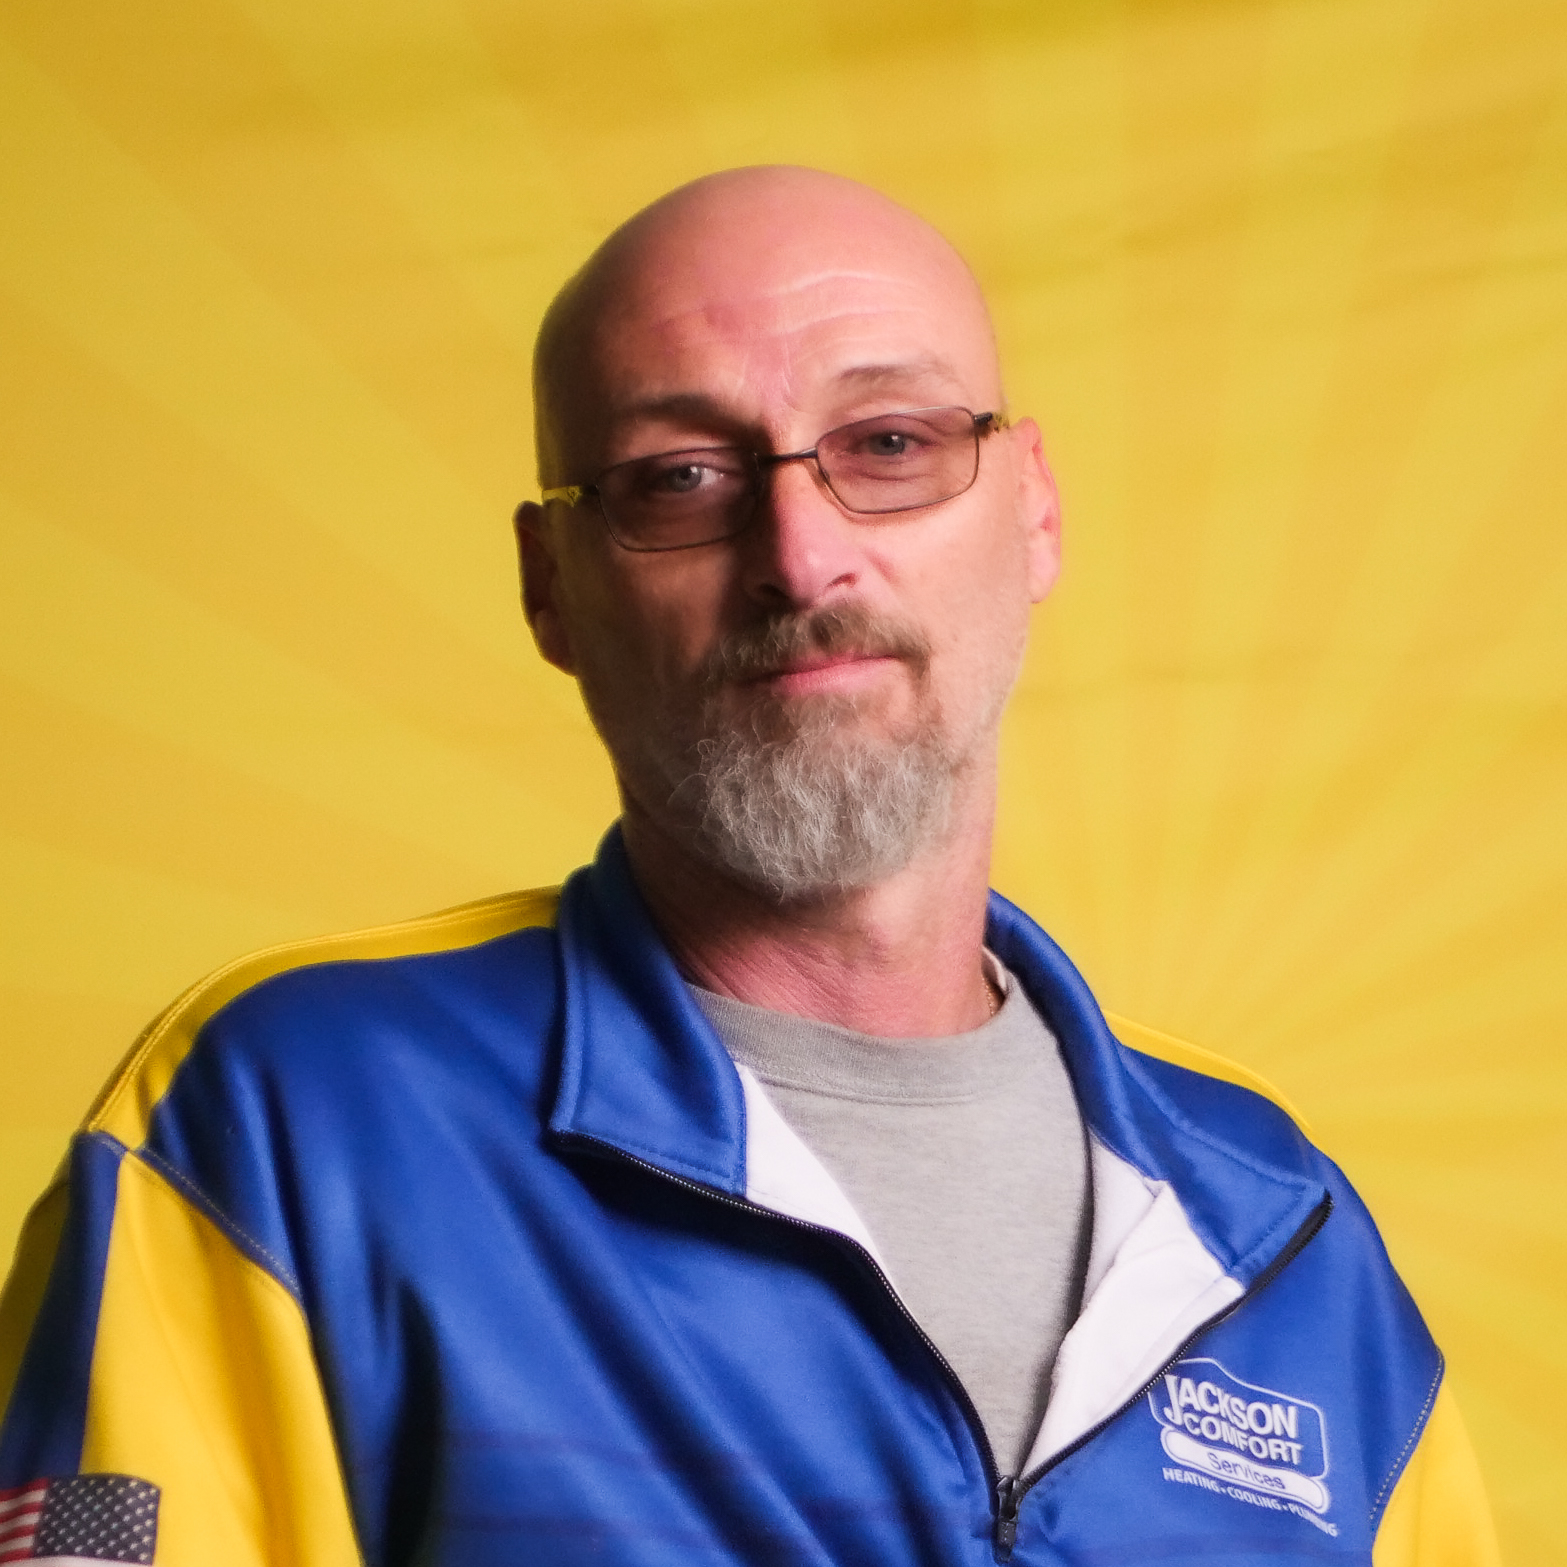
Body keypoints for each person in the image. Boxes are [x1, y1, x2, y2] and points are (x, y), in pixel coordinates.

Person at [0, 168, 1495, 1567]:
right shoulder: (287, 1120)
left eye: (891, 447)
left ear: (1033, 509)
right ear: (550, 587)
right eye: (680, 476)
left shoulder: (1278, 1225)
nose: (800, 553)